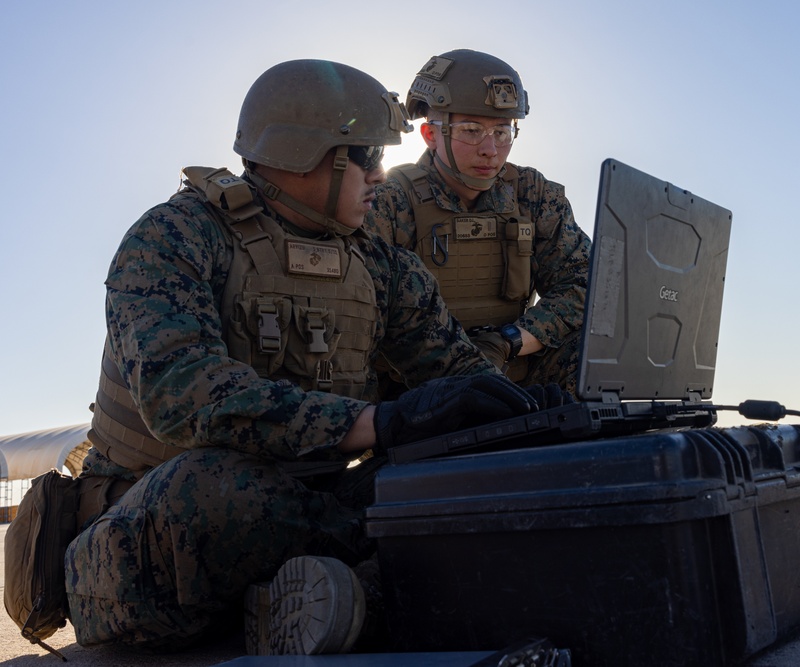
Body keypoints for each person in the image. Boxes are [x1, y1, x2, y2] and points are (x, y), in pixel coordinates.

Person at [62, 59, 544, 656]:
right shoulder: (175, 236)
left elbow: (457, 374)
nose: (379, 176)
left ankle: (334, 598)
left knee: (461, 468)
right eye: (366, 156)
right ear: (305, 155)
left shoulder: (380, 265)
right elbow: (182, 395)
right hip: (154, 520)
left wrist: (528, 414)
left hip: (311, 502)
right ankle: (369, 591)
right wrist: (375, 423)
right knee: (217, 488)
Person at [367, 49, 591, 395]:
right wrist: (462, 362)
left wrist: (510, 341)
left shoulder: (531, 194)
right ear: (430, 134)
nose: (490, 149)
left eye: (503, 133)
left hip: (513, 375)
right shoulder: (389, 200)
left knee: (598, 347)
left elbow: (583, 284)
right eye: (471, 130)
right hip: (416, 392)